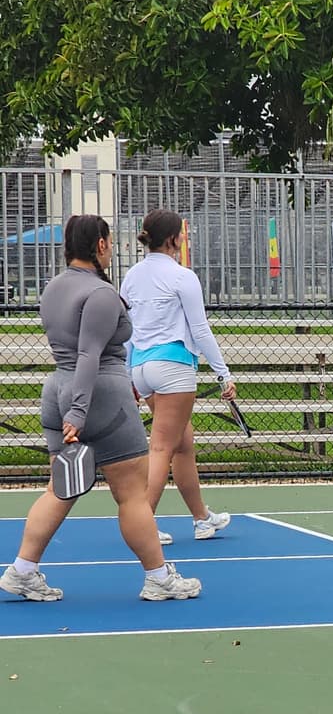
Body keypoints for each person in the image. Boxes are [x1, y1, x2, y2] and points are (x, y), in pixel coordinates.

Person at [0, 215, 201, 604]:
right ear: (101, 245)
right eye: (110, 242)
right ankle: (159, 577)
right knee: (132, 495)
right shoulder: (101, 294)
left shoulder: (53, 288)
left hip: (58, 389)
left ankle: (22, 570)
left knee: (60, 490)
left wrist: (72, 410)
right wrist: (79, 413)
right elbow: (89, 355)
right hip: (99, 397)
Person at [121, 208, 234, 545]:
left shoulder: (131, 276)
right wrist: (223, 373)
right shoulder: (183, 277)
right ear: (173, 239)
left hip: (142, 368)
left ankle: (201, 518)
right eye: (182, 234)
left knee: (182, 445)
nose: (184, 238)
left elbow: (126, 332)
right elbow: (200, 329)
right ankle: (145, 522)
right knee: (160, 449)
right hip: (173, 368)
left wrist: (129, 375)